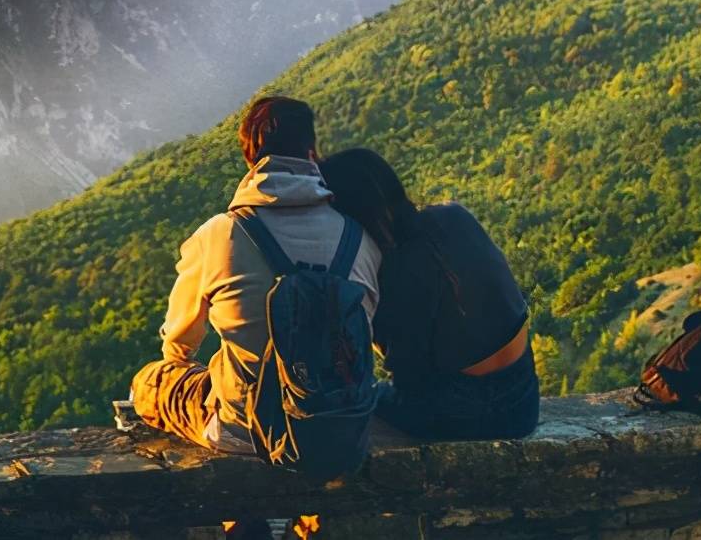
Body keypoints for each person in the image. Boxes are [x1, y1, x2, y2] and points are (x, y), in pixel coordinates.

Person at [130, 97, 382, 453]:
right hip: (338, 423)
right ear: (312, 153)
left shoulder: (220, 233)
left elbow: (178, 340)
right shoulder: (360, 238)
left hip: (244, 427)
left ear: (250, 159)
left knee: (150, 381)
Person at [318, 147, 538, 440]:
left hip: (472, 413)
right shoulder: (453, 216)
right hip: (524, 395)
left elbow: (411, 384)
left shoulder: (397, 271)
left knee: (359, 400)